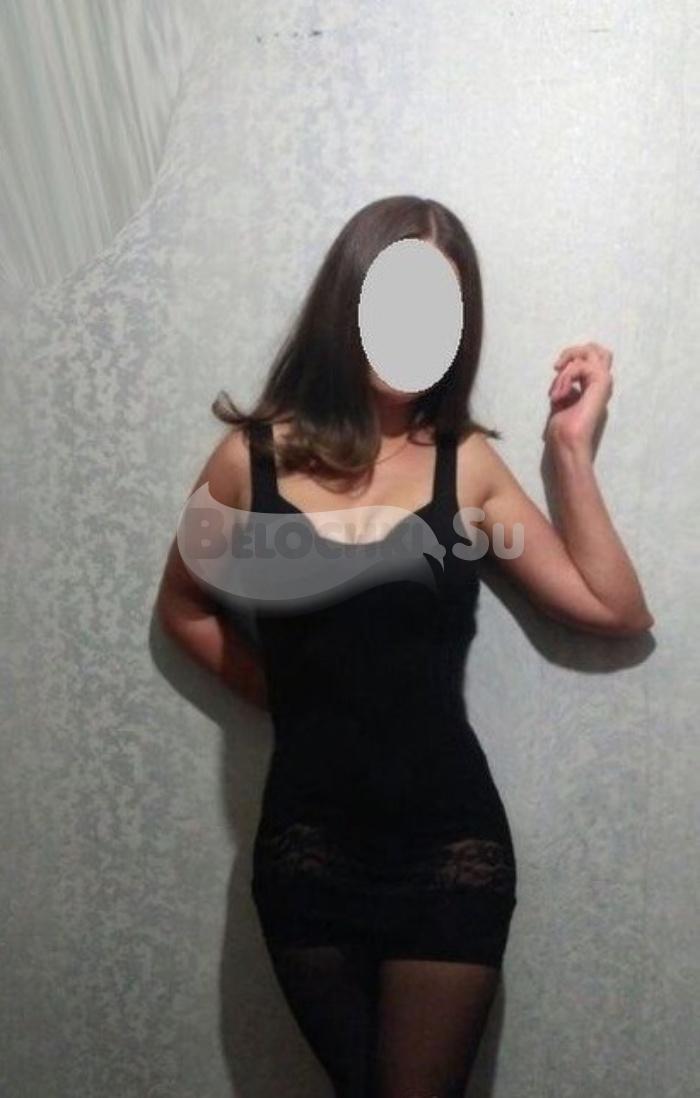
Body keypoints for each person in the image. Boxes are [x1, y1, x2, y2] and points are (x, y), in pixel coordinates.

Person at [155, 195, 654, 1098]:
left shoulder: (467, 467)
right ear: (348, 301)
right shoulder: (249, 461)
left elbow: (613, 607)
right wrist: (296, 703)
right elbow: (184, 609)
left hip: (449, 851)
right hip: (306, 850)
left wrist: (569, 451)